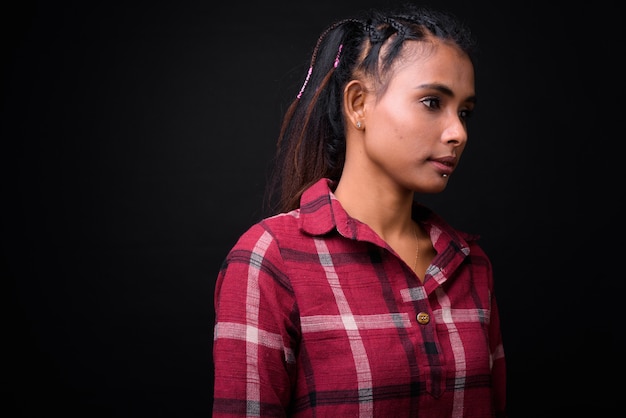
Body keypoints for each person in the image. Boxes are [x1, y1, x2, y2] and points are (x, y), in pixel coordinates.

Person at [212, 3, 506, 417]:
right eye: (431, 102)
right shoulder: (270, 260)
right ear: (358, 104)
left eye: (465, 112)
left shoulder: (470, 265)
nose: (458, 133)